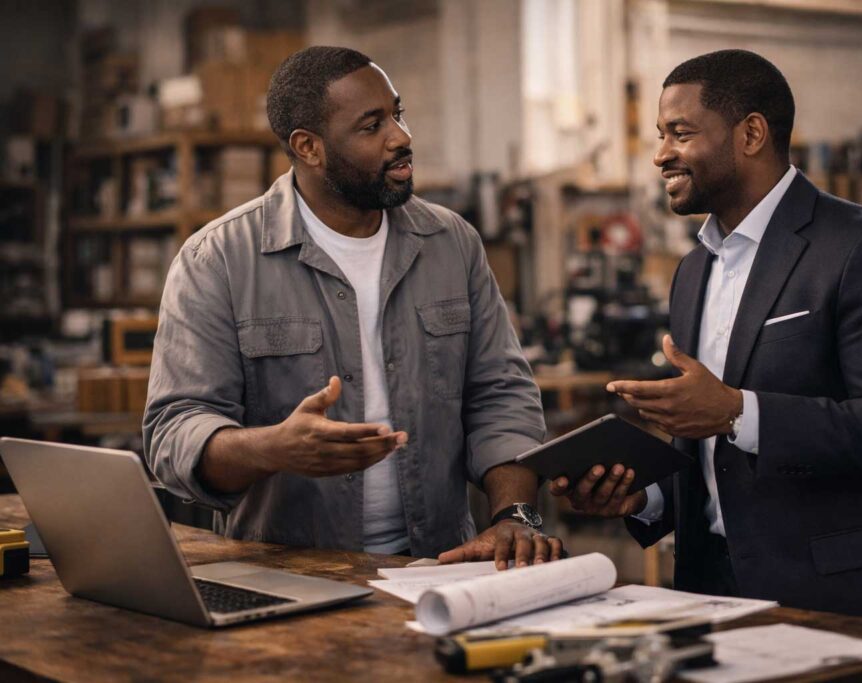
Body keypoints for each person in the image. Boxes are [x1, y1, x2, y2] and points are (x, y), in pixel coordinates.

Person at [551, 49, 862, 627]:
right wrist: (645, 497)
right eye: (659, 135)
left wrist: (738, 413)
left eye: (680, 133)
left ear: (752, 133)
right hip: (713, 594)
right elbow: (715, 462)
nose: (661, 154)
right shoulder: (694, 270)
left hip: (843, 601)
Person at [144, 46, 561, 569]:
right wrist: (273, 448)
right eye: (372, 126)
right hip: (289, 574)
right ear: (309, 148)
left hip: (439, 566)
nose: (402, 137)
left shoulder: (451, 243)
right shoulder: (219, 260)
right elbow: (174, 431)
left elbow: (500, 394)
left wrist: (515, 514)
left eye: (398, 113)